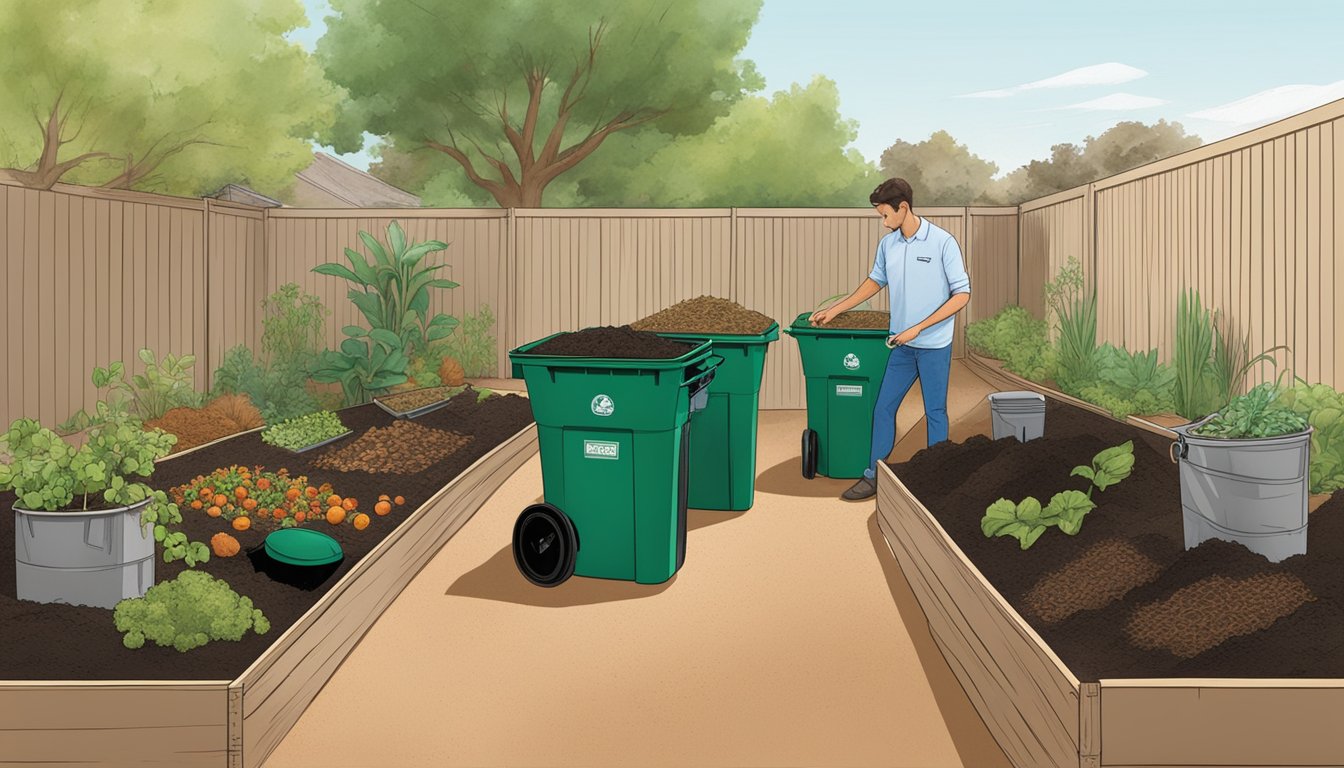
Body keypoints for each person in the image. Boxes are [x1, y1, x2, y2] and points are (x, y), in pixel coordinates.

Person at [810, 178, 971, 501]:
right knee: (883, 409)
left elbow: (961, 295)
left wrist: (920, 328)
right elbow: (874, 282)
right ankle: (874, 476)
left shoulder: (942, 242)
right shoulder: (889, 245)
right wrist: (835, 309)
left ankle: (936, 481)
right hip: (901, 346)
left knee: (935, 412)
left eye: (885, 215)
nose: (883, 222)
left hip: (933, 346)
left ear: (904, 208)